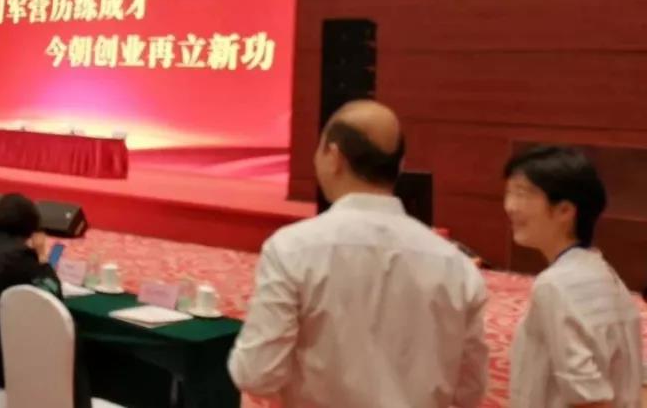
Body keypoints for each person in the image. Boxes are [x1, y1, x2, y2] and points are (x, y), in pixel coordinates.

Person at [228, 100, 489, 408]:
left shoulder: (292, 249)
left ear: (333, 156)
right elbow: (469, 390)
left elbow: (256, 374)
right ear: (400, 165)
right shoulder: (456, 266)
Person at [503, 145, 644, 408]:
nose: (510, 206)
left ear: (565, 211)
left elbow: (588, 396)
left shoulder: (555, 285)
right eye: (509, 193)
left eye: (522, 194)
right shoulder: (603, 271)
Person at [0, 193, 90, 406]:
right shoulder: (20, 257)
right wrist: (42, 256)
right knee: (67, 332)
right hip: (1, 361)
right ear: (30, 226)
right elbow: (52, 295)